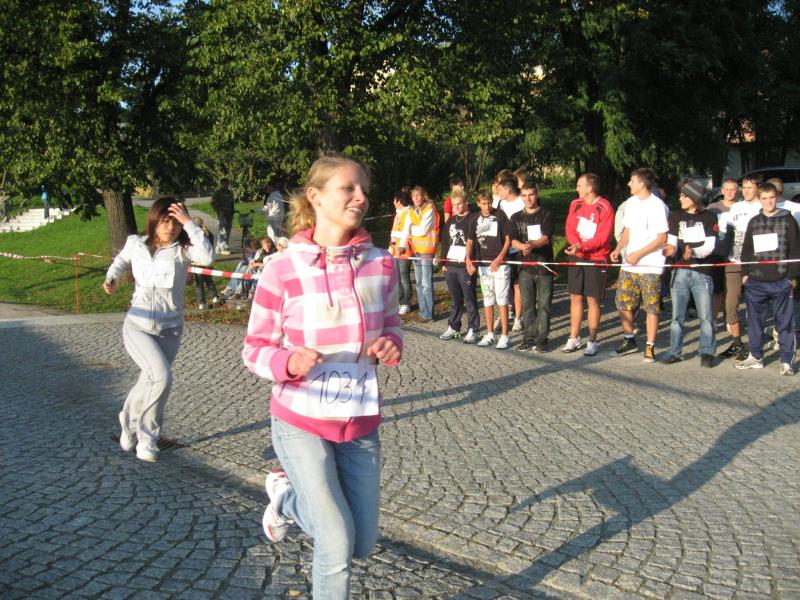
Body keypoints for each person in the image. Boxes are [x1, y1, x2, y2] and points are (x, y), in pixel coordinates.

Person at [242, 154, 402, 598]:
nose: (360, 197)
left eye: (363, 189)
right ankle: (288, 494)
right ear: (314, 196)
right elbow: (254, 348)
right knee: (335, 540)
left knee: (361, 542)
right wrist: (287, 363)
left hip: (359, 422)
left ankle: (284, 499)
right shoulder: (281, 269)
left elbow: (392, 325)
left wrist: (391, 344)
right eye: (348, 188)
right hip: (300, 421)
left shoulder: (381, 264)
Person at [103, 197, 213, 462]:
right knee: (161, 377)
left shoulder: (183, 250)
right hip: (138, 327)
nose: (171, 228)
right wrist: (111, 277)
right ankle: (148, 439)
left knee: (149, 380)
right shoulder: (136, 243)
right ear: (154, 221)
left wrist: (190, 223)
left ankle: (127, 420)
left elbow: (208, 257)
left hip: (170, 330)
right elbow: (121, 260)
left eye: (176, 223)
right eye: (166, 222)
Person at [735, 182, 800, 375]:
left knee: (785, 323)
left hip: (781, 280)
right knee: (754, 322)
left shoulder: (788, 220)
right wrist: (745, 274)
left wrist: (790, 277)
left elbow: (795, 250)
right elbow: (746, 250)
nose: (769, 202)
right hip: (756, 281)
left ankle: (786, 361)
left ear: (776, 198)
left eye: (772, 198)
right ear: (759, 199)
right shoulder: (754, 221)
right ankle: (755, 356)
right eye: (764, 198)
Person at [610, 168, 669, 363]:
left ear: (642, 184)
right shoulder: (631, 203)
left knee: (651, 307)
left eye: (632, 181)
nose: (629, 184)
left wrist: (639, 254)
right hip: (629, 265)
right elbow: (627, 230)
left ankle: (650, 346)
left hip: (650, 265)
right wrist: (618, 248)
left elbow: (662, 238)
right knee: (622, 302)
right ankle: (629, 339)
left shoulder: (657, 206)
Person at [659, 178, 719, 367]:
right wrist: (670, 250)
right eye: (680, 195)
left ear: (694, 198)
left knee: (706, 316)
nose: (681, 199)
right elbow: (672, 242)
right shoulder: (675, 216)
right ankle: (675, 351)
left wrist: (693, 253)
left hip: (702, 271)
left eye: (684, 196)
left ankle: (707, 351)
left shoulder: (709, 217)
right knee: (677, 316)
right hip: (680, 271)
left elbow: (710, 246)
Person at [562, 173, 614, 356]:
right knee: (575, 297)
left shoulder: (605, 207)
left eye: (579, 185)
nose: (577, 189)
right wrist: (575, 244)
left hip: (596, 258)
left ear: (589, 188)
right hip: (577, 256)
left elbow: (603, 237)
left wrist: (583, 246)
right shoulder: (575, 204)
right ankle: (574, 337)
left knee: (592, 299)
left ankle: (592, 340)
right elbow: (569, 227)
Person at [717, 174, 763, 359]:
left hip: (756, 263)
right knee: (730, 304)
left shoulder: (762, 206)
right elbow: (726, 234)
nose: (746, 191)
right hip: (734, 261)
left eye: (749, 187)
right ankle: (736, 343)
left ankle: (754, 343)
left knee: (755, 305)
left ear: (758, 188)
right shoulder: (736, 207)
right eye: (743, 187)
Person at [510, 181, 554, 352]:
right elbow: (512, 239)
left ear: (537, 195)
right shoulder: (516, 217)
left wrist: (532, 245)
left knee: (544, 305)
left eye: (531, 195)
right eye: (524, 195)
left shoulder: (546, 214)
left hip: (544, 265)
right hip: (525, 268)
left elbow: (546, 237)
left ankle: (542, 339)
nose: (528, 199)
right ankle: (528, 338)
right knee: (527, 305)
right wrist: (523, 247)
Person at [466, 191, 513, 349]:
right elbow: (470, 242)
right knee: (487, 299)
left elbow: (508, 240)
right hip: (483, 265)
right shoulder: (474, 218)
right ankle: (490, 333)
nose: (487, 206)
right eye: (484, 203)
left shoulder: (500, 215)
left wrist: (499, 258)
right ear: (478, 203)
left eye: (489, 203)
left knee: (502, 299)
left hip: (500, 265)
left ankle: (505, 335)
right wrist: (468, 259)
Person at [439, 189, 480, 343]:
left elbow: (476, 243)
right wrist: (443, 262)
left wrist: (474, 263)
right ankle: (454, 326)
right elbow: (445, 242)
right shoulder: (450, 221)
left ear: (466, 202)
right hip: (451, 264)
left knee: (469, 298)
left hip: (465, 266)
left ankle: (473, 328)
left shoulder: (473, 218)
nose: (456, 207)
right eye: (453, 205)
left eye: (459, 204)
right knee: (455, 299)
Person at [707, 178, 739, 326]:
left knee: (732, 290)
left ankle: (730, 319)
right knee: (717, 289)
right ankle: (713, 319)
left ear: (737, 191)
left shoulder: (741, 207)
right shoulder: (713, 208)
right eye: (727, 189)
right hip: (717, 253)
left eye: (733, 189)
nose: (729, 192)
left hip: (735, 253)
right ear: (722, 191)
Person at [496, 177, 526, 332]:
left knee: (517, 284)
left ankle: (519, 318)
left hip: (519, 250)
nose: (498, 192)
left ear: (508, 189)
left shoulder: (522, 202)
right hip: (504, 250)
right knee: (505, 284)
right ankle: (507, 313)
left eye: (500, 189)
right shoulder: (501, 204)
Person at [408, 186, 440, 321]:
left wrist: (411, 230)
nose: (415, 198)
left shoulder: (429, 210)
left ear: (423, 196)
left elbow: (422, 231)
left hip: (426, 251)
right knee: (419, 284)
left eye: (418, 195)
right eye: (413, 196)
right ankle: (423, 312)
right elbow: (408, 227)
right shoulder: (412, 211)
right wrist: (411, 229)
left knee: (426, 284)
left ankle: (429, 314)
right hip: (416, 250)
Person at [388, 189, 414, 314]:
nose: (393, 202)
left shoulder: (408, 212)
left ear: (399, 201)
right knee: (396, 277)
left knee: (404, 277)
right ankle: (400, 301)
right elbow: (393, 233)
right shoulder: (398, 213)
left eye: (394, 200)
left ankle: (406, 303)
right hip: (395, 250)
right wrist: (391, 248)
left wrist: (401, 246)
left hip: (404, 250)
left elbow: (406, 232)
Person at [191, 216, 221, 309]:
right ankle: (215, 298)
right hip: (208, 262)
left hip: (197, 262)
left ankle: (201, 303)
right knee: (209, 281)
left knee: (199, 284)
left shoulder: (194, 236)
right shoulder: (209, 233)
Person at [211, 178, 235, 255]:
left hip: (229, 213)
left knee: (228, 229)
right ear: (221, 184)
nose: (226, 185)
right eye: (224, 183)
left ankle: (218, 247)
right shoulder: (218, 192)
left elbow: (232, 202)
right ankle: (223, 248)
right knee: (223, 229)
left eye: (227, 183)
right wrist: (218, 210)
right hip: (221, 213)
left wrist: (233, 210)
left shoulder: (230, 192)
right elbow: (212, 202)